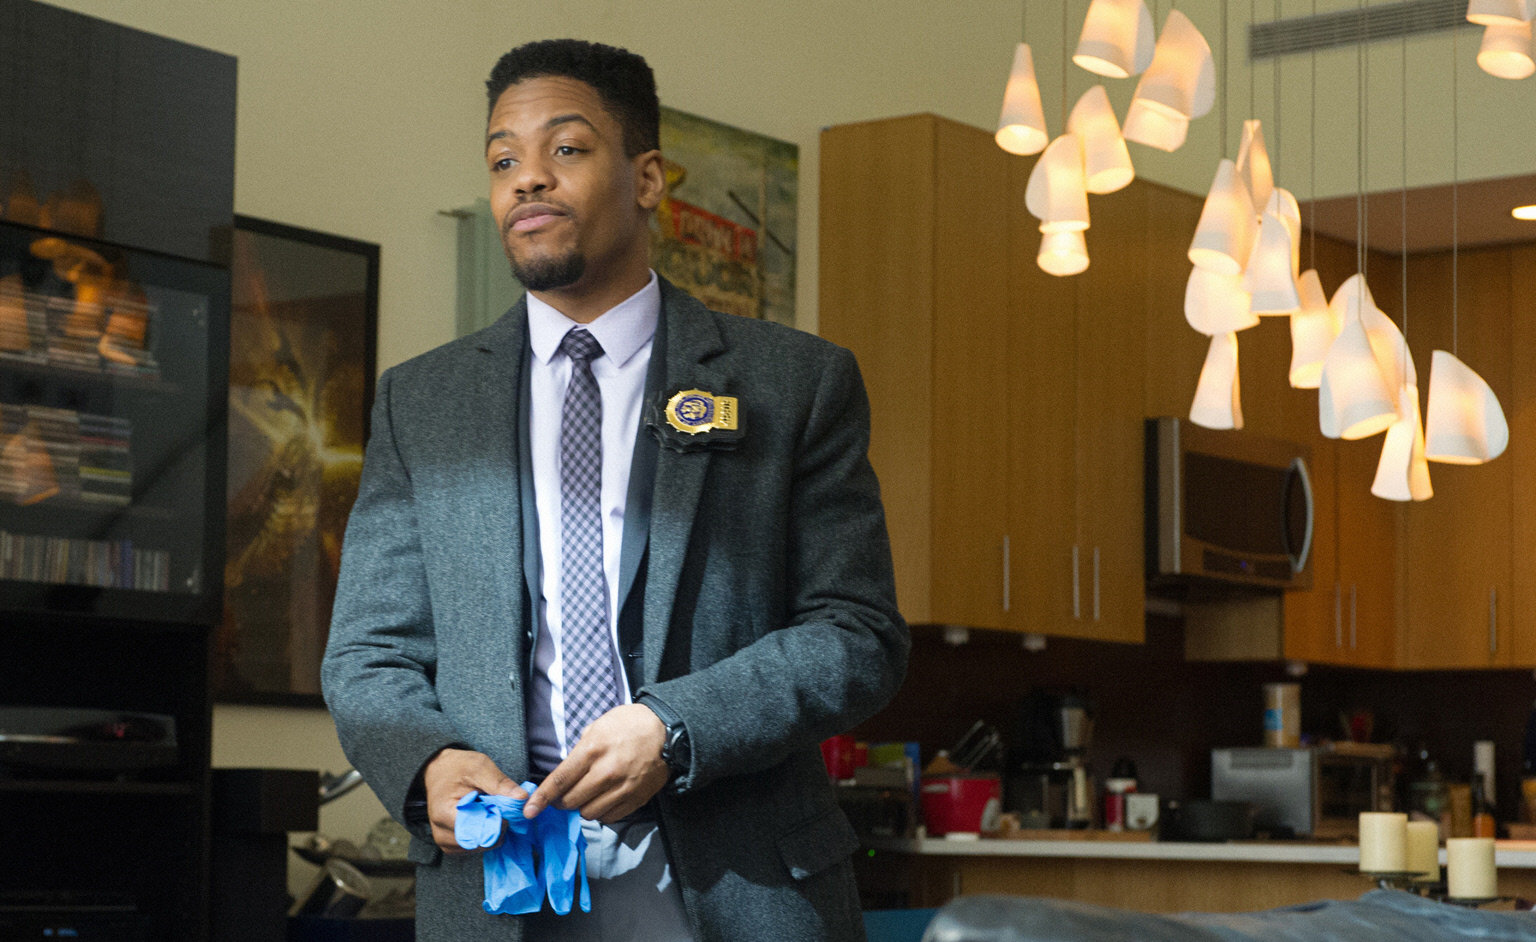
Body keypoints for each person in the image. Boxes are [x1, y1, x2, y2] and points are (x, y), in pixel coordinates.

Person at [322, 38, 908, 942]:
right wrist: (428, 762)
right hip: (503, 877)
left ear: (647, 178)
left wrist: (674, 728)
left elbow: (856, 632)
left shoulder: (794, 384)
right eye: (503, 160)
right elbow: (369, 652)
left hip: (738, 879)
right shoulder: (422, 401)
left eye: (566, 148)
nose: (527, 178)